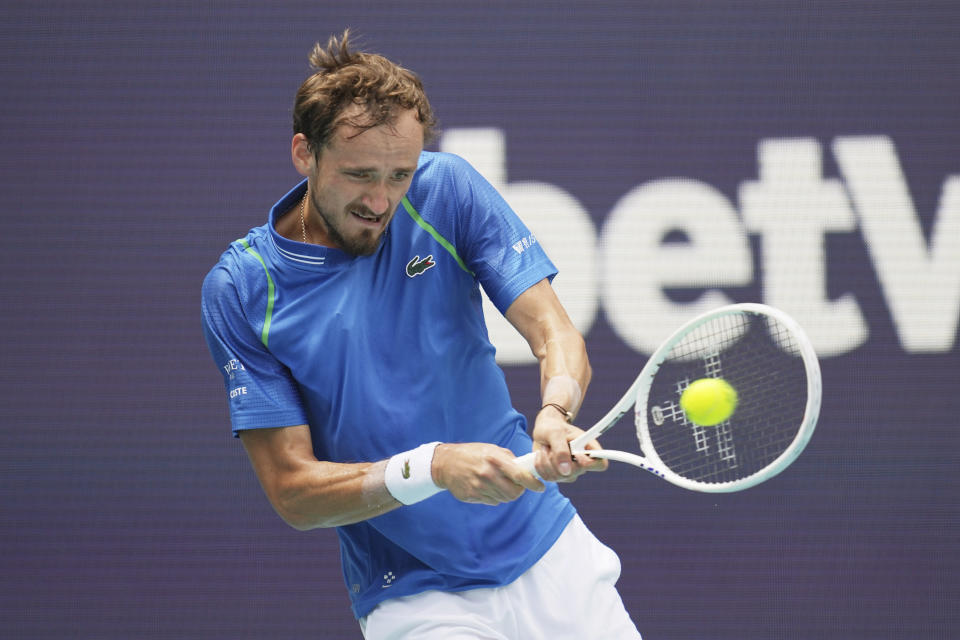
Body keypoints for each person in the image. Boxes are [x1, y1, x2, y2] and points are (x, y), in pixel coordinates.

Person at [201, 30, 641, 639]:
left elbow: (554, 331)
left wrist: (554, 408)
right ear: (305, 153)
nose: (381, 200)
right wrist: (430, 468)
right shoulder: (244, 288)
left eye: (400, 174)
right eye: (359, 174)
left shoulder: (447, 190)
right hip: (412, 594)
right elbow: (292, 491)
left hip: (548, 546)